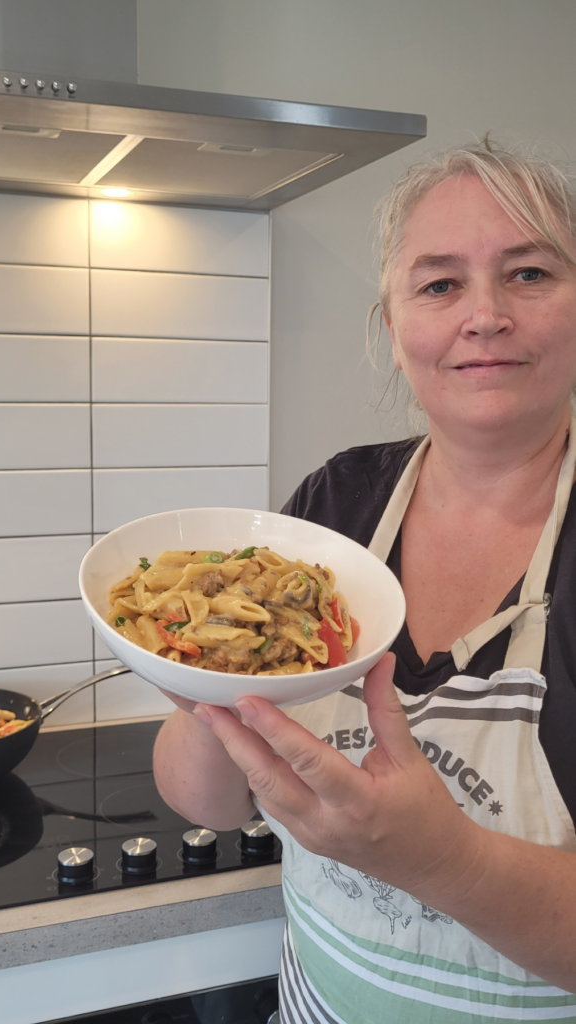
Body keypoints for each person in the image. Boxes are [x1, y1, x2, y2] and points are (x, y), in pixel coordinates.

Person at [153, 140, 576, 1023]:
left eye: (529, 274)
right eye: (438, 284)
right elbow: (214, 803)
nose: (485, 315)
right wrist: (201, 678)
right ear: (392, 327)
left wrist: (439, 858)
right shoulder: (337, 504)